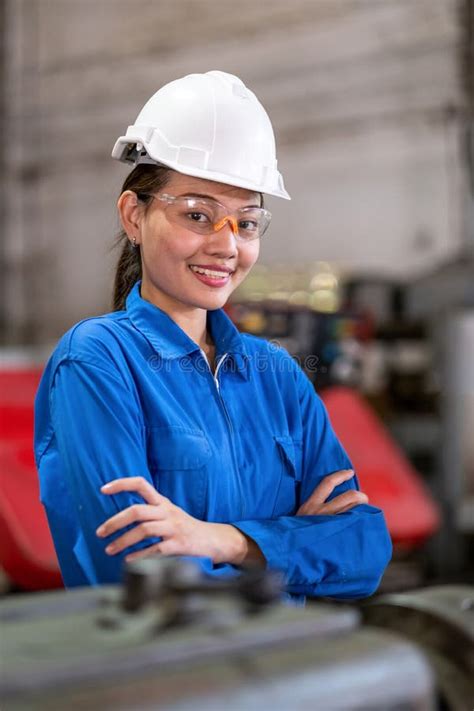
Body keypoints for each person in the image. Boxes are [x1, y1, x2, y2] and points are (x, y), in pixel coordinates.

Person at [34, 71, 392, 597]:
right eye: (198, 214)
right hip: (163, 672)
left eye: (246, 223)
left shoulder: (278, 376)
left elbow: (364, 550)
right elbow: (141, 572)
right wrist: (297, 549)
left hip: (291, 665)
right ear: (134, 215)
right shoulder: (97, 361)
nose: (227, 247)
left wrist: (224, 542)